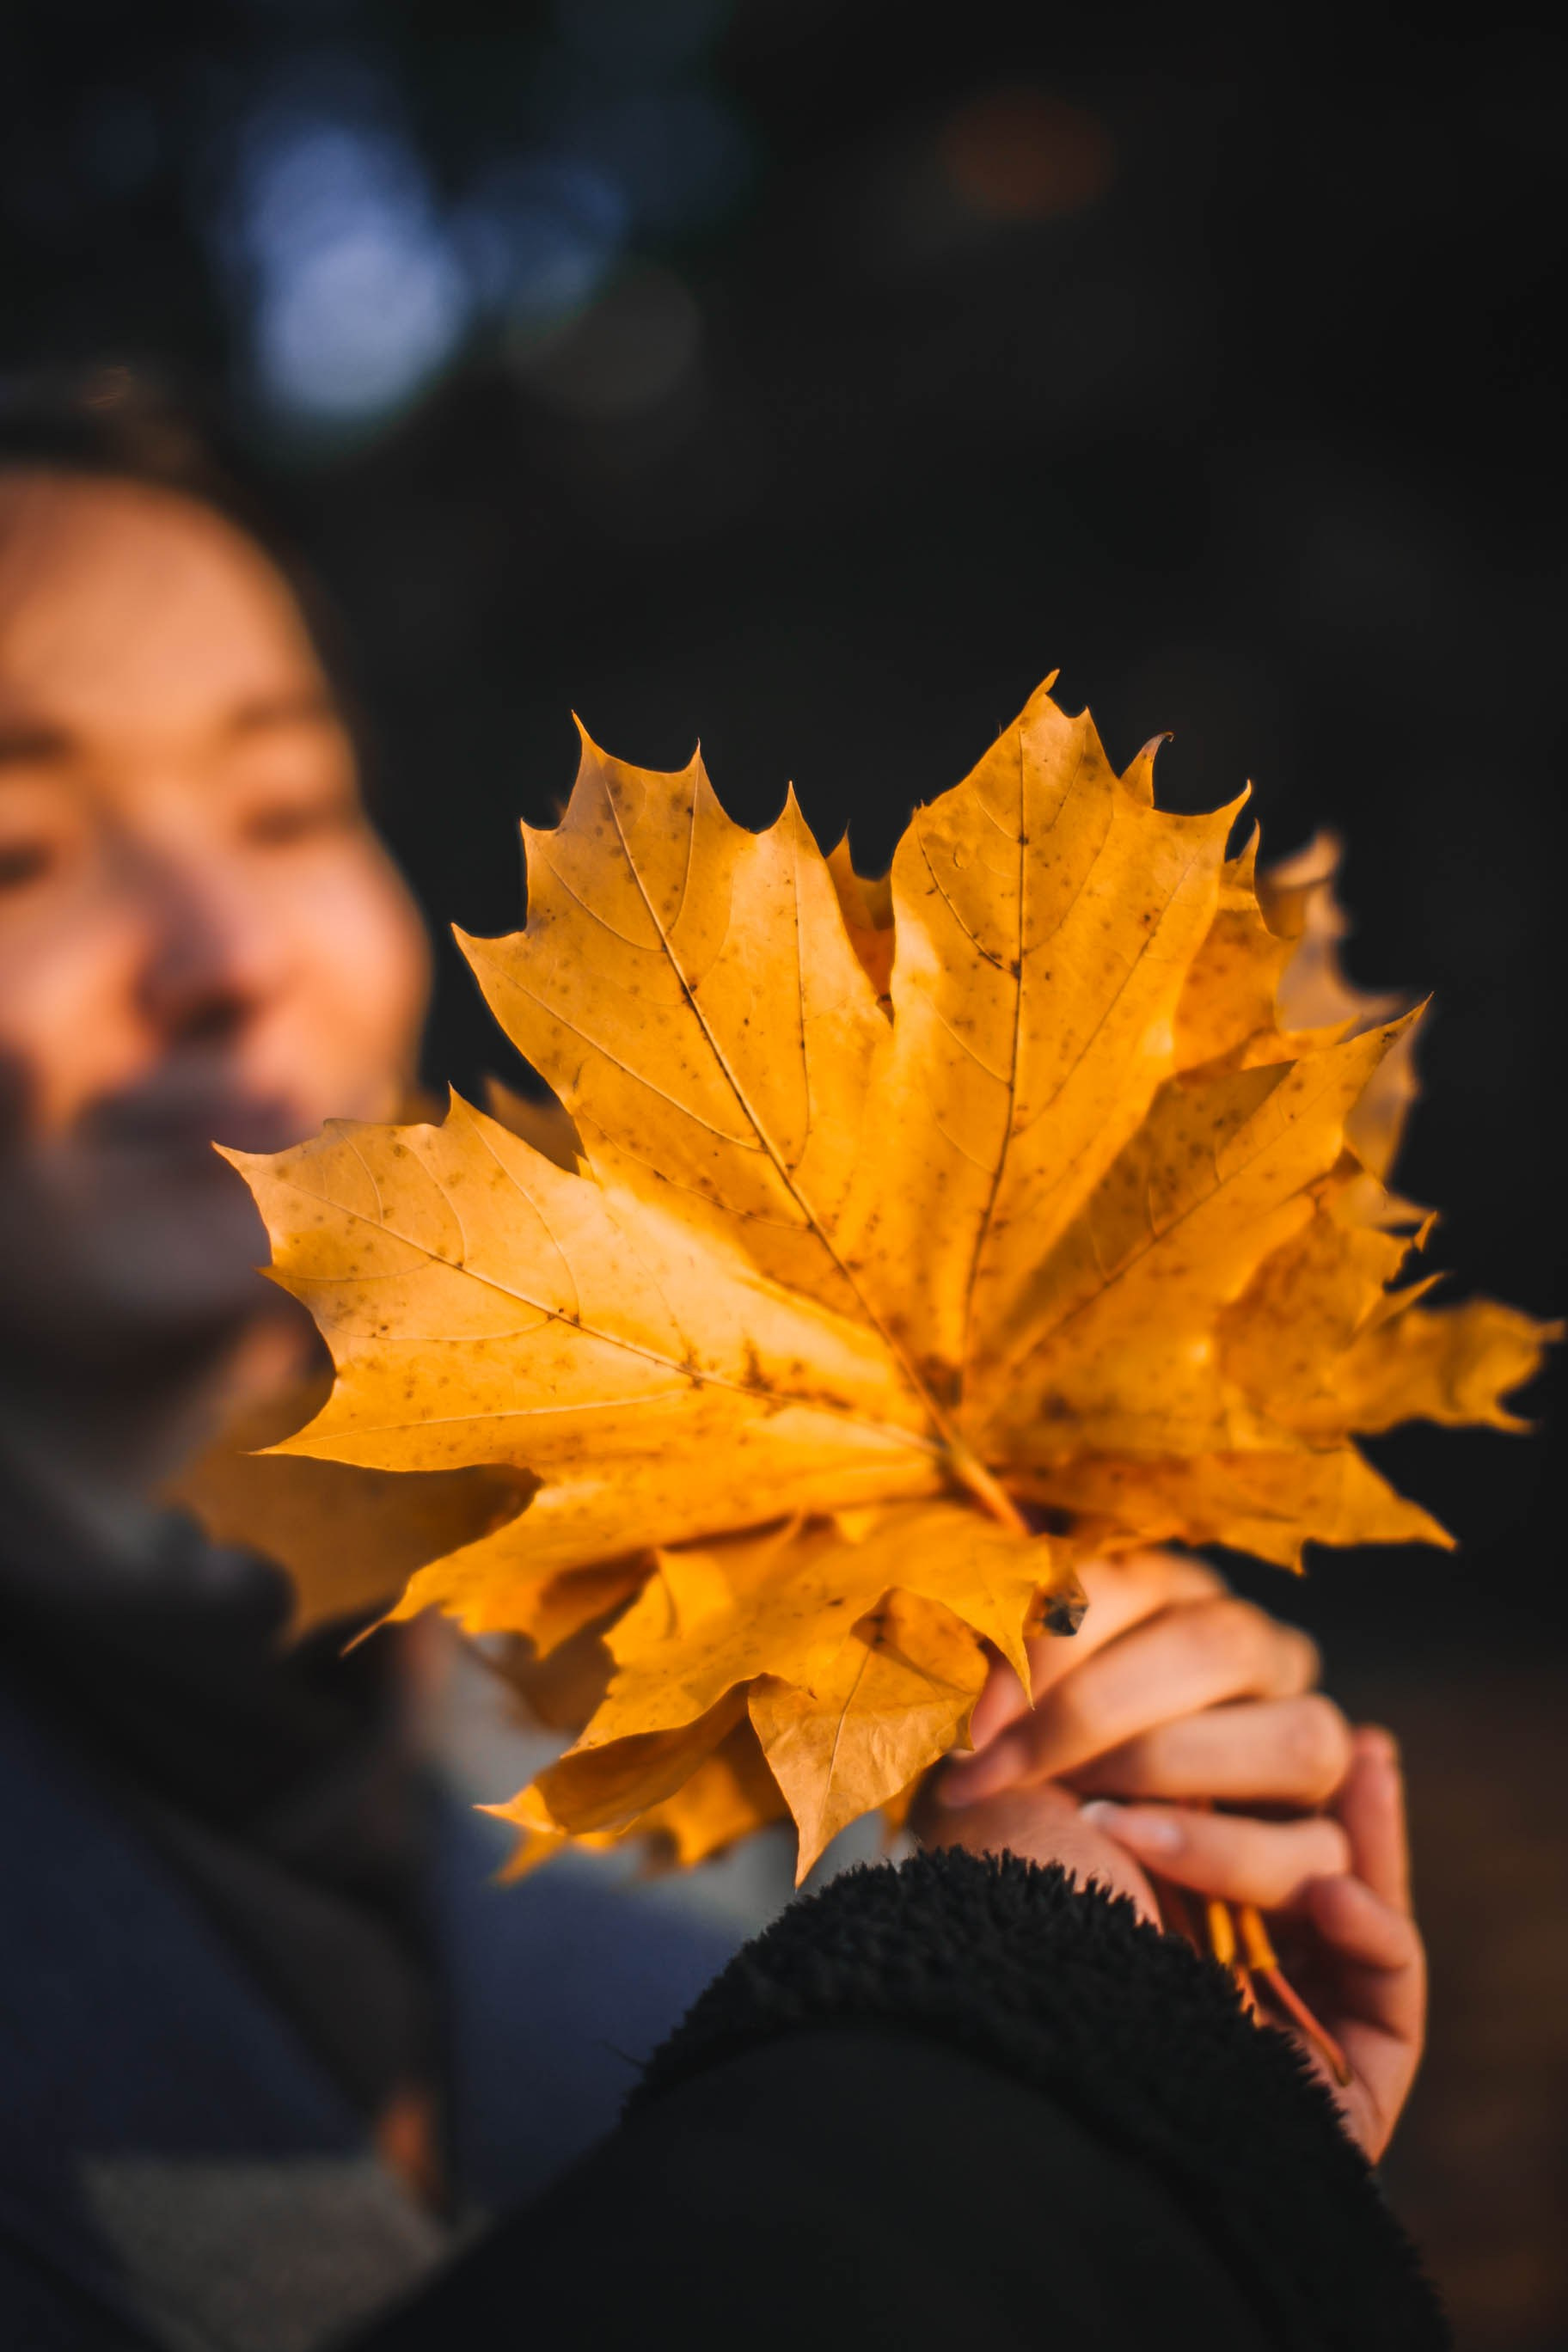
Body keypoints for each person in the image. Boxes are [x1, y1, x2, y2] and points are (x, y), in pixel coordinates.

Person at [0, 375, 1437, 2350]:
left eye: (286, 805)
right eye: (19, 849)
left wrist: (1188, 2171)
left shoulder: (807, 1674)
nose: (227, 946)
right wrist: (998, 2084)